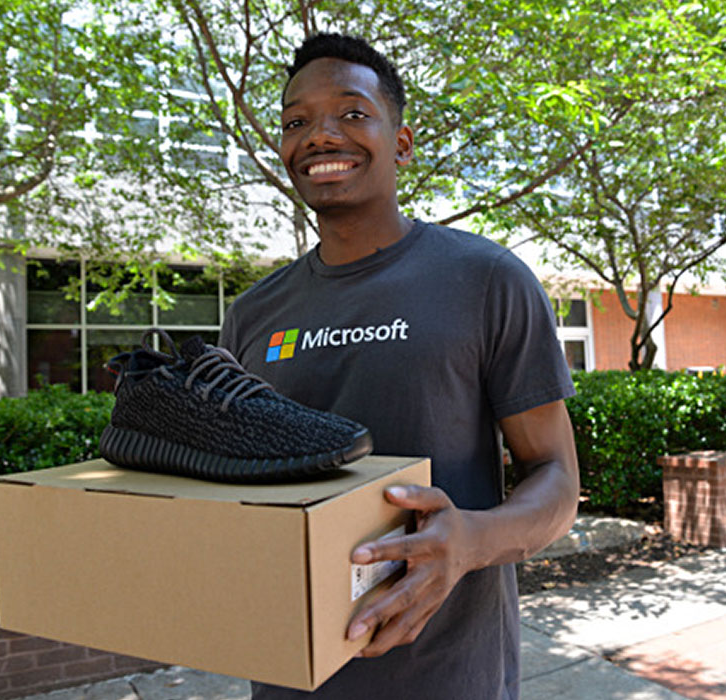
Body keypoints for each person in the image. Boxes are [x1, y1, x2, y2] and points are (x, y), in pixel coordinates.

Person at [218, 33, 580, 700]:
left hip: (449, 680)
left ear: (402, 143)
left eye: (352, 114)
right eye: (297, 121)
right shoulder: (251, 316)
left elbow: (557, 480)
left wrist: (471, 539)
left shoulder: (486, 279)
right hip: (289, 679)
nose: (321, 135)